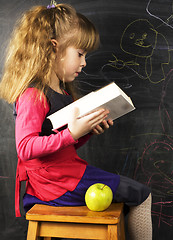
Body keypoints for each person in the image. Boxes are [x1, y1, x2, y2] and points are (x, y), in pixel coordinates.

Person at [0, 1, 152, 239]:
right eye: (80, 54)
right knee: (141, 194)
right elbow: (25, 148)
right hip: (55, 184)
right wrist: (72, 133)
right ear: (54, 48)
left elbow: (60, 145)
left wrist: (86, 131)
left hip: (64, 175)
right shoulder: (33, 95)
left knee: (133, 192)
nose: (84, 63)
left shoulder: (63, 93)